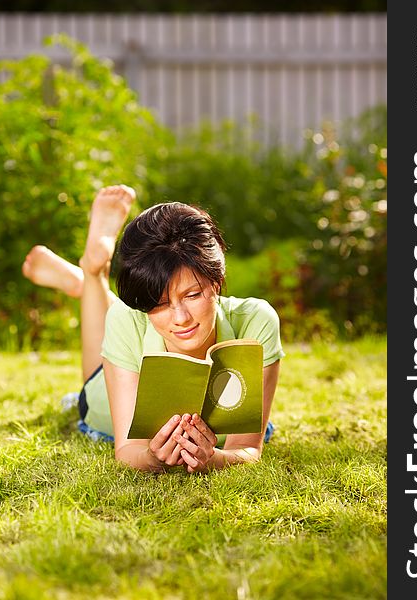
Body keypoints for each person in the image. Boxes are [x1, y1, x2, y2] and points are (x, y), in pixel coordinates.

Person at [22, 185, 285, 474]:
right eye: (158, 304)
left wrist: (214, 460)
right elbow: (127, 451)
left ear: (217, 281)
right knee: (97, 368)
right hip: (107, 383)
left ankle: (87, 284)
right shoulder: (127, 316)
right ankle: (92, 271)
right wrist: (151, 456)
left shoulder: (256, 321)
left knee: (132, 312)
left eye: (193, 295)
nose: (181, 318)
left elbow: (246, 450)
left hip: (132, 316)